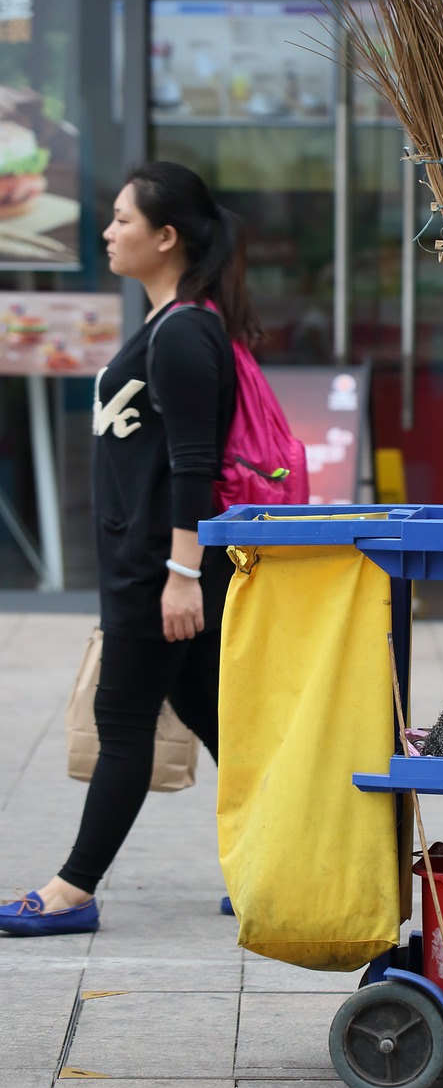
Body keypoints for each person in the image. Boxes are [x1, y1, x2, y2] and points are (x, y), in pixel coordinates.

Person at [0, 160, 255, 936]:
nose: (108, 232)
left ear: (166, 236)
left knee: (123, 721)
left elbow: (192, 465)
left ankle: (73, 889)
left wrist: (181, 576)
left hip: (161, 569)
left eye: (121, 220)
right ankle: (280, 868)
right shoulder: (170, 324)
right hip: (151, 564)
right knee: (220, 722)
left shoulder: (184, 332)